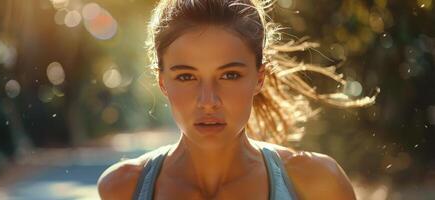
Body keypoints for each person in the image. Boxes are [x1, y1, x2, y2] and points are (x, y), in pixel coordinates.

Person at [98, 0, 377, 199]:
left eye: (229, 75)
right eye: (186, 77)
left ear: (259, 78)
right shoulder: (122, 189)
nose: (208, 101)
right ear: (162, 83)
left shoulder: (317, 183)